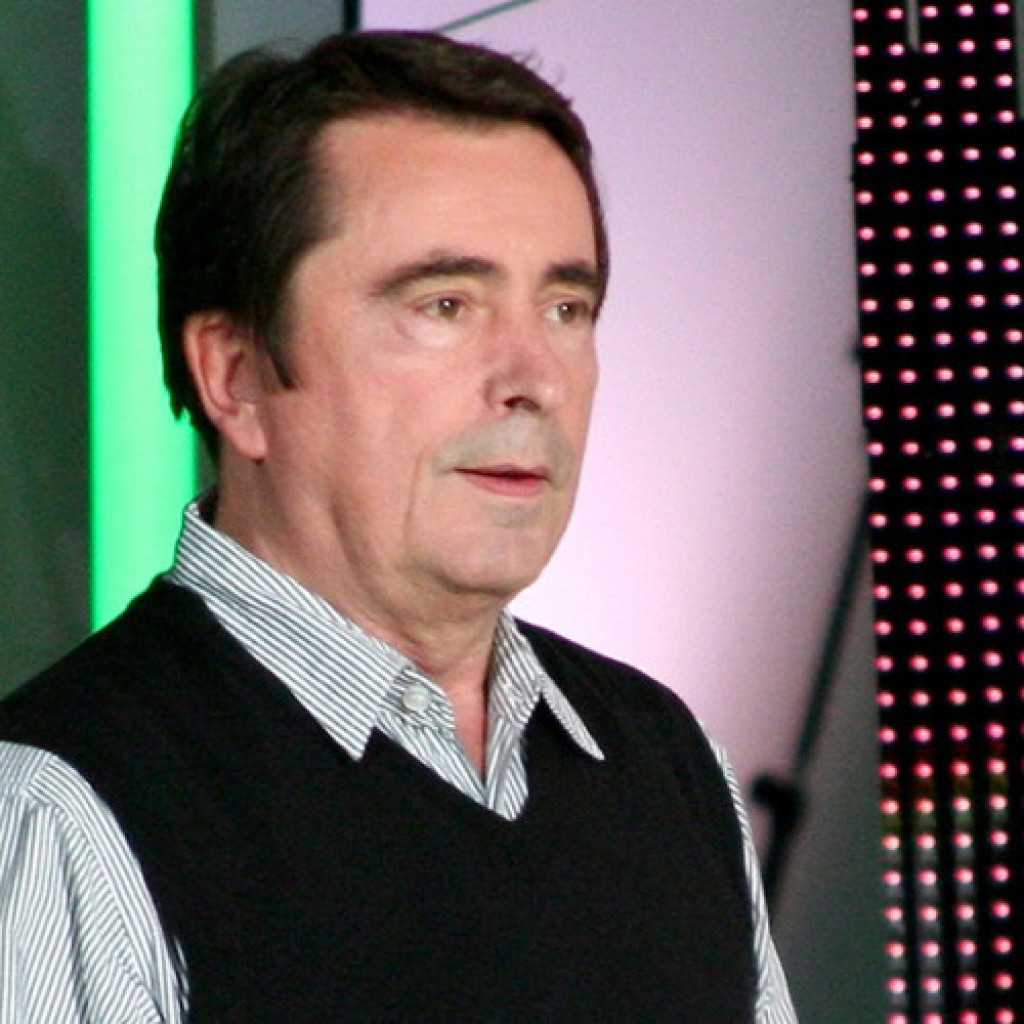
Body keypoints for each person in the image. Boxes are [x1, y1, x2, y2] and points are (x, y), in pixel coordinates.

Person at [0, 31, 796, 1022]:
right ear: (236, 377)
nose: (535, 380)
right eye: (446, 304)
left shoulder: (667, 763)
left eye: (565, 307)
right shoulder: (62, 808)